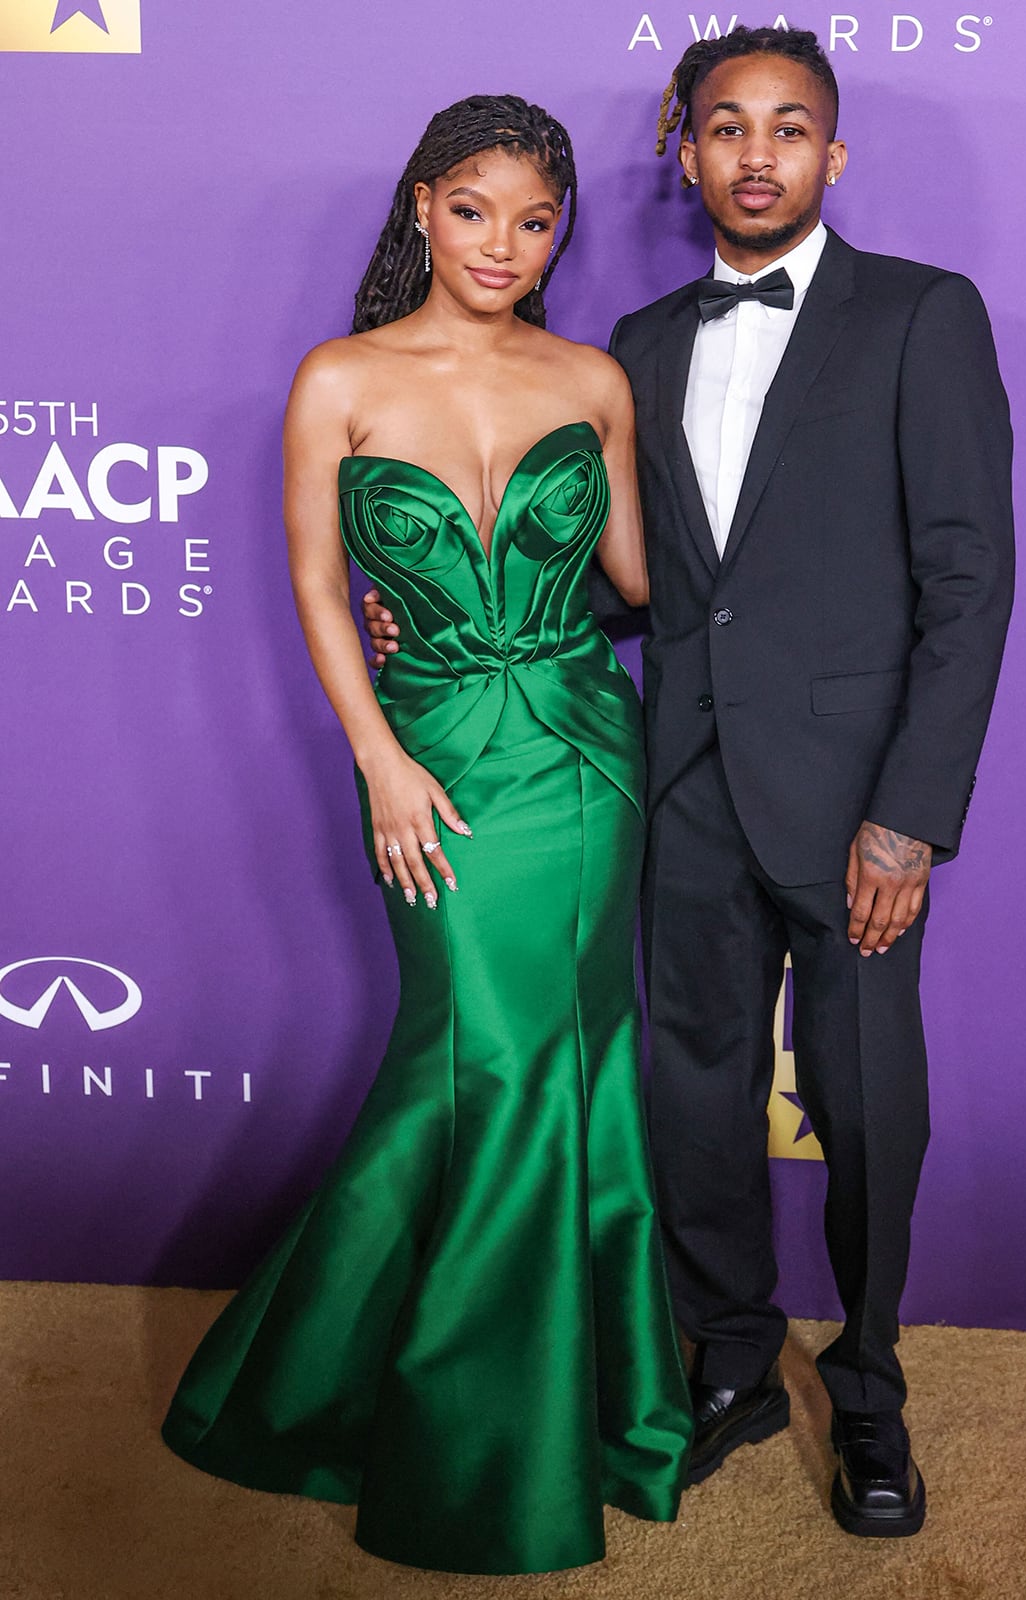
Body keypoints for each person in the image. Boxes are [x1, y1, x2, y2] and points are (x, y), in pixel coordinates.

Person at [366, 25, 1016, 1542]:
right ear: (687, 149)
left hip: (859, 803)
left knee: (865, 1107)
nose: (757, 155)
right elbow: (637, 588)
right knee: (692, 1093)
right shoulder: (636, 350)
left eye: (791, 129)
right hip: (675, 790)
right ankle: (727, 1357)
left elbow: (968, 583)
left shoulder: (924, 316)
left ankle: (868, 1393)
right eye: (727, 128)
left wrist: (911, 816)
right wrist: (437, 610)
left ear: (831, 156)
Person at [162, 95, 691, 1577]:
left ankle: (545, 1410)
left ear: (562, 228)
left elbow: (636, 576)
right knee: (484, 1057)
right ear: (419, 208)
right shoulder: (338, 378)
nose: (503, 245)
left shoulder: (593, 378)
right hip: (436, 758)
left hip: (585, 758)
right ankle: (445, 1421)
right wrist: (384, 759)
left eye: (535, 219)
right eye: (474, 212)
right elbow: (325, 594)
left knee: (566, 1064)